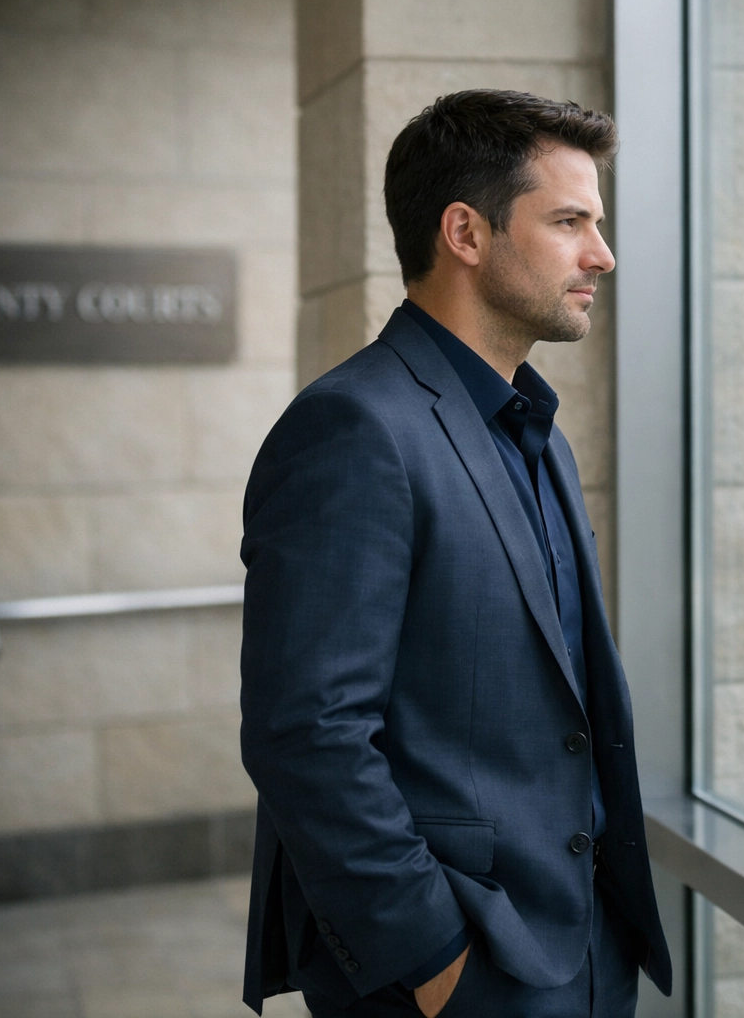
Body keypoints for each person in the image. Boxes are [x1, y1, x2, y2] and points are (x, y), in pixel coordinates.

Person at [237, 89, 671, 1018]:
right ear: (466, 234)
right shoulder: (352, 429)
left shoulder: (538, 431)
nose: (603, 253)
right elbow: (305, 733)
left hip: (588, 945)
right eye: (569, 221)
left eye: (596, 222)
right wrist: (434, 964)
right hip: (455, 968)